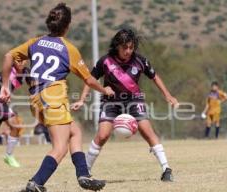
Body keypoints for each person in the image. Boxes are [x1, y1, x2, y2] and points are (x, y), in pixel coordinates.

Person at [0, 3, 114, 192]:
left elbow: (8, 55)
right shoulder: (68, 49)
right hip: (53, 97)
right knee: (60, 148)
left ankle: (83, 175)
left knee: (74, 131)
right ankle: (36, 182)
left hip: (35, 99)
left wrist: (4, 85)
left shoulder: (35, 42)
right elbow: (89, 79)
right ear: (67, 25)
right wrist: (105, 89)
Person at [72, 29, 179, 182]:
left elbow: (155, 77)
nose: (128, 51)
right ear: (117, 46)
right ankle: (85, 172)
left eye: (131, 47)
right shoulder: (105, 61)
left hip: (134, 101)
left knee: (148, 132)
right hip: (111, 102)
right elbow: (90, 79)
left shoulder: (140, 61)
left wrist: (168, 95)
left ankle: (166, 169)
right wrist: (82, 100)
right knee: (102, 136)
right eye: (125, 48)